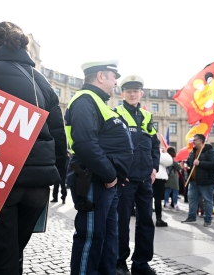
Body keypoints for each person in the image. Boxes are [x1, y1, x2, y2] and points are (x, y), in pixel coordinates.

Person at [0, 22, 67, 275]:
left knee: (2, 260)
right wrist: (57, 175)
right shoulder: (44, 83)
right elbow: (59, 134)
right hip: (37, 187)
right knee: (14, 253)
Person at [64, 59, 133, 275]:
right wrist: (111, 173)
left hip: (106, 183)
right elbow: (85, 144)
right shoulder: (85, 100)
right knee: (90, 238)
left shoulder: (99, 102)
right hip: (93, 179)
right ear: (101, 76)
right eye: (114, 77)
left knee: (106, 237)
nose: (115, 83)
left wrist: (118, 174)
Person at [115, 75, 160, 275]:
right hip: (125, 180)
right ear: (122, 93)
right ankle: (119, 262)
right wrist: (117, 170)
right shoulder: (116, 113)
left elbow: (155, 144)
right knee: (121, 222)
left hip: (145, 179)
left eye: (136, 91)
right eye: (129, 91)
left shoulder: (147, 116)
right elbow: (111, 145)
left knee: (146, 222)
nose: (133, 94)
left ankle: (141, 263)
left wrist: (154, 167)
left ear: (141, 93)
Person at [181, 134, 214, 227]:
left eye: (195, 140)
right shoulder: (193, 151)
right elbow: (191, 162)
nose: (193, 141)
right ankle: (192, 217)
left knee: (207, 200)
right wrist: (187, 166)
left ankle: (207, 219)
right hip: (193, 181)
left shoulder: (210, 151)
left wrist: (200, 163)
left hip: (206, 181)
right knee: (192, 199)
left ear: (201, 141)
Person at [153, 145, 172, 227]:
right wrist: (165, 153)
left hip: (150, 177)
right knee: (157, 200)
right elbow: (169, 161)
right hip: (158, 178)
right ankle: (158, 219)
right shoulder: (157, 151)